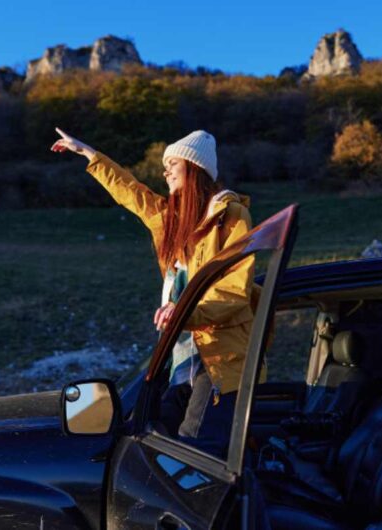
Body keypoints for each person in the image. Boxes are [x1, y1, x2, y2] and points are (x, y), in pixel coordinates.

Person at [51, 127, 257, 457]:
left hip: (219, 359)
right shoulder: (170, 220)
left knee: (194, 450)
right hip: (180, 358)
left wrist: (185, 312)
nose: (164, 171)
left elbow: (233, 292)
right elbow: (129, 192)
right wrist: (88, 154)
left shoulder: (230, 217)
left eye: (172, 164)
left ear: (194, 170)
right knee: (159, 443)